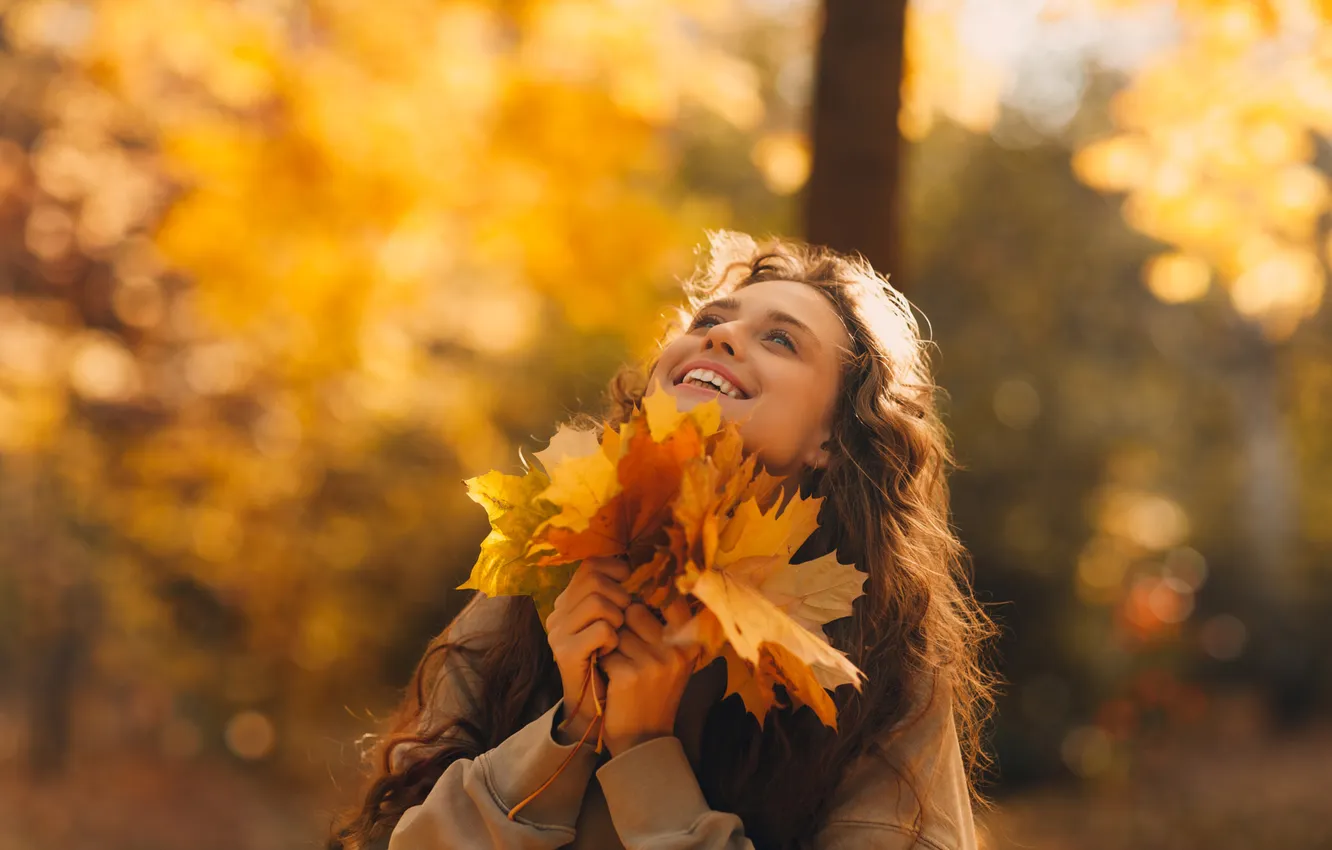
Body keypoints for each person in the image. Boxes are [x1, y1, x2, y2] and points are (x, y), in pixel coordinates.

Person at [331, 231, 1000, 850]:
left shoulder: (881, 661)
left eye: (782, 341)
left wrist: (645, 752)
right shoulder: (546, 574)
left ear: (832, 438)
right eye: (709, 321)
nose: (723, 336)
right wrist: (568, 732)